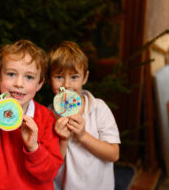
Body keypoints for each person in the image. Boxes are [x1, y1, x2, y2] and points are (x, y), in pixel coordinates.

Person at [0, 40, 63, 190]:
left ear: (39, 84)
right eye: (11, 74)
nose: (19, 83)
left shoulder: (46, 118)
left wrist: (34, 147)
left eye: (29, 77)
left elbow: (49, 173)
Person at [48, 41, 121, 190]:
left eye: (74, 77)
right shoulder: (48, 114)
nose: (67, 85)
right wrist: (63, 139)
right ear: (49, 79)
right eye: (59, 77)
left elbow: (114, 154)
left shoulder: (98, 108)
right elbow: (50, 165)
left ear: (85, 78)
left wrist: (82, 136)